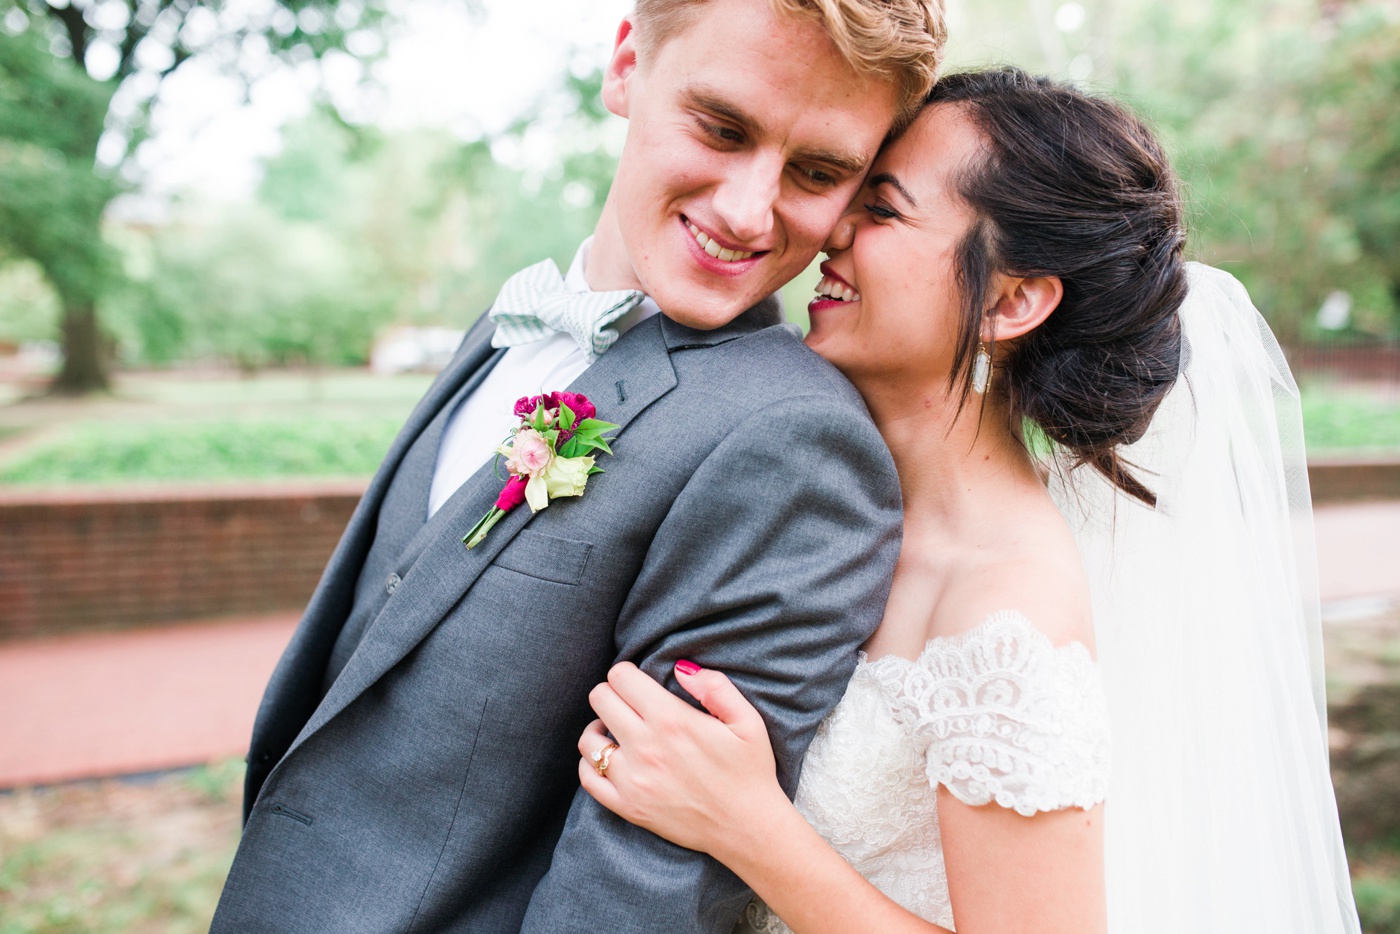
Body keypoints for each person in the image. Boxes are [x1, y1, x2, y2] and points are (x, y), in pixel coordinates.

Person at [209, 2, 944, 932]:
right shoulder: (505, 325)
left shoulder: (791, 443)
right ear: (628, 65)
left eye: (819, 171)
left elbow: (649, 884)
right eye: (722, 128)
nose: (748, 210)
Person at [578, 68, 1362, 933]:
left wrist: (751, 828)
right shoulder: (828, 505)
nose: (829, 228)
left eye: (881, 208)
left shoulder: (1007, 612)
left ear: (1011, 300)